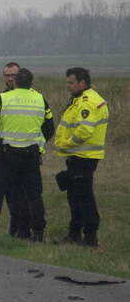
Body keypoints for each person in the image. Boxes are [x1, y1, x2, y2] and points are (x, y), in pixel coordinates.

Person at [0, 67, 54, 241]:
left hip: (6, 155)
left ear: (15, 82)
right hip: (31, 156)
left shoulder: (3, 98)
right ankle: (38, 233)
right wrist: (38, 144)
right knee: (34, 195)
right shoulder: (41, 99)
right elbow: (50, 128)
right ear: (32, 83)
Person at [53, 67, 108, 248]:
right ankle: (74, 234)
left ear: (82, 83)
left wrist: (67, 143)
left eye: (71, 82)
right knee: (74, 196)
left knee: (84, 198)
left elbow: (84, 130)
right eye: (67, 82)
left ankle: (90, 238)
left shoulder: (87, 102)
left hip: (84, 156)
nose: (68, 86)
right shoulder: (80, 99)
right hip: (78, 156)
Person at [0, 62, 31, 238]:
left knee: (21, 196)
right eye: (7, 75)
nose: (11, 78)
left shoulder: (32, 98)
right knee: (0, 195)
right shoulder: (1, 98)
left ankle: (19, 231)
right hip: (3, 155)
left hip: (26, 155)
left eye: (14, 75)